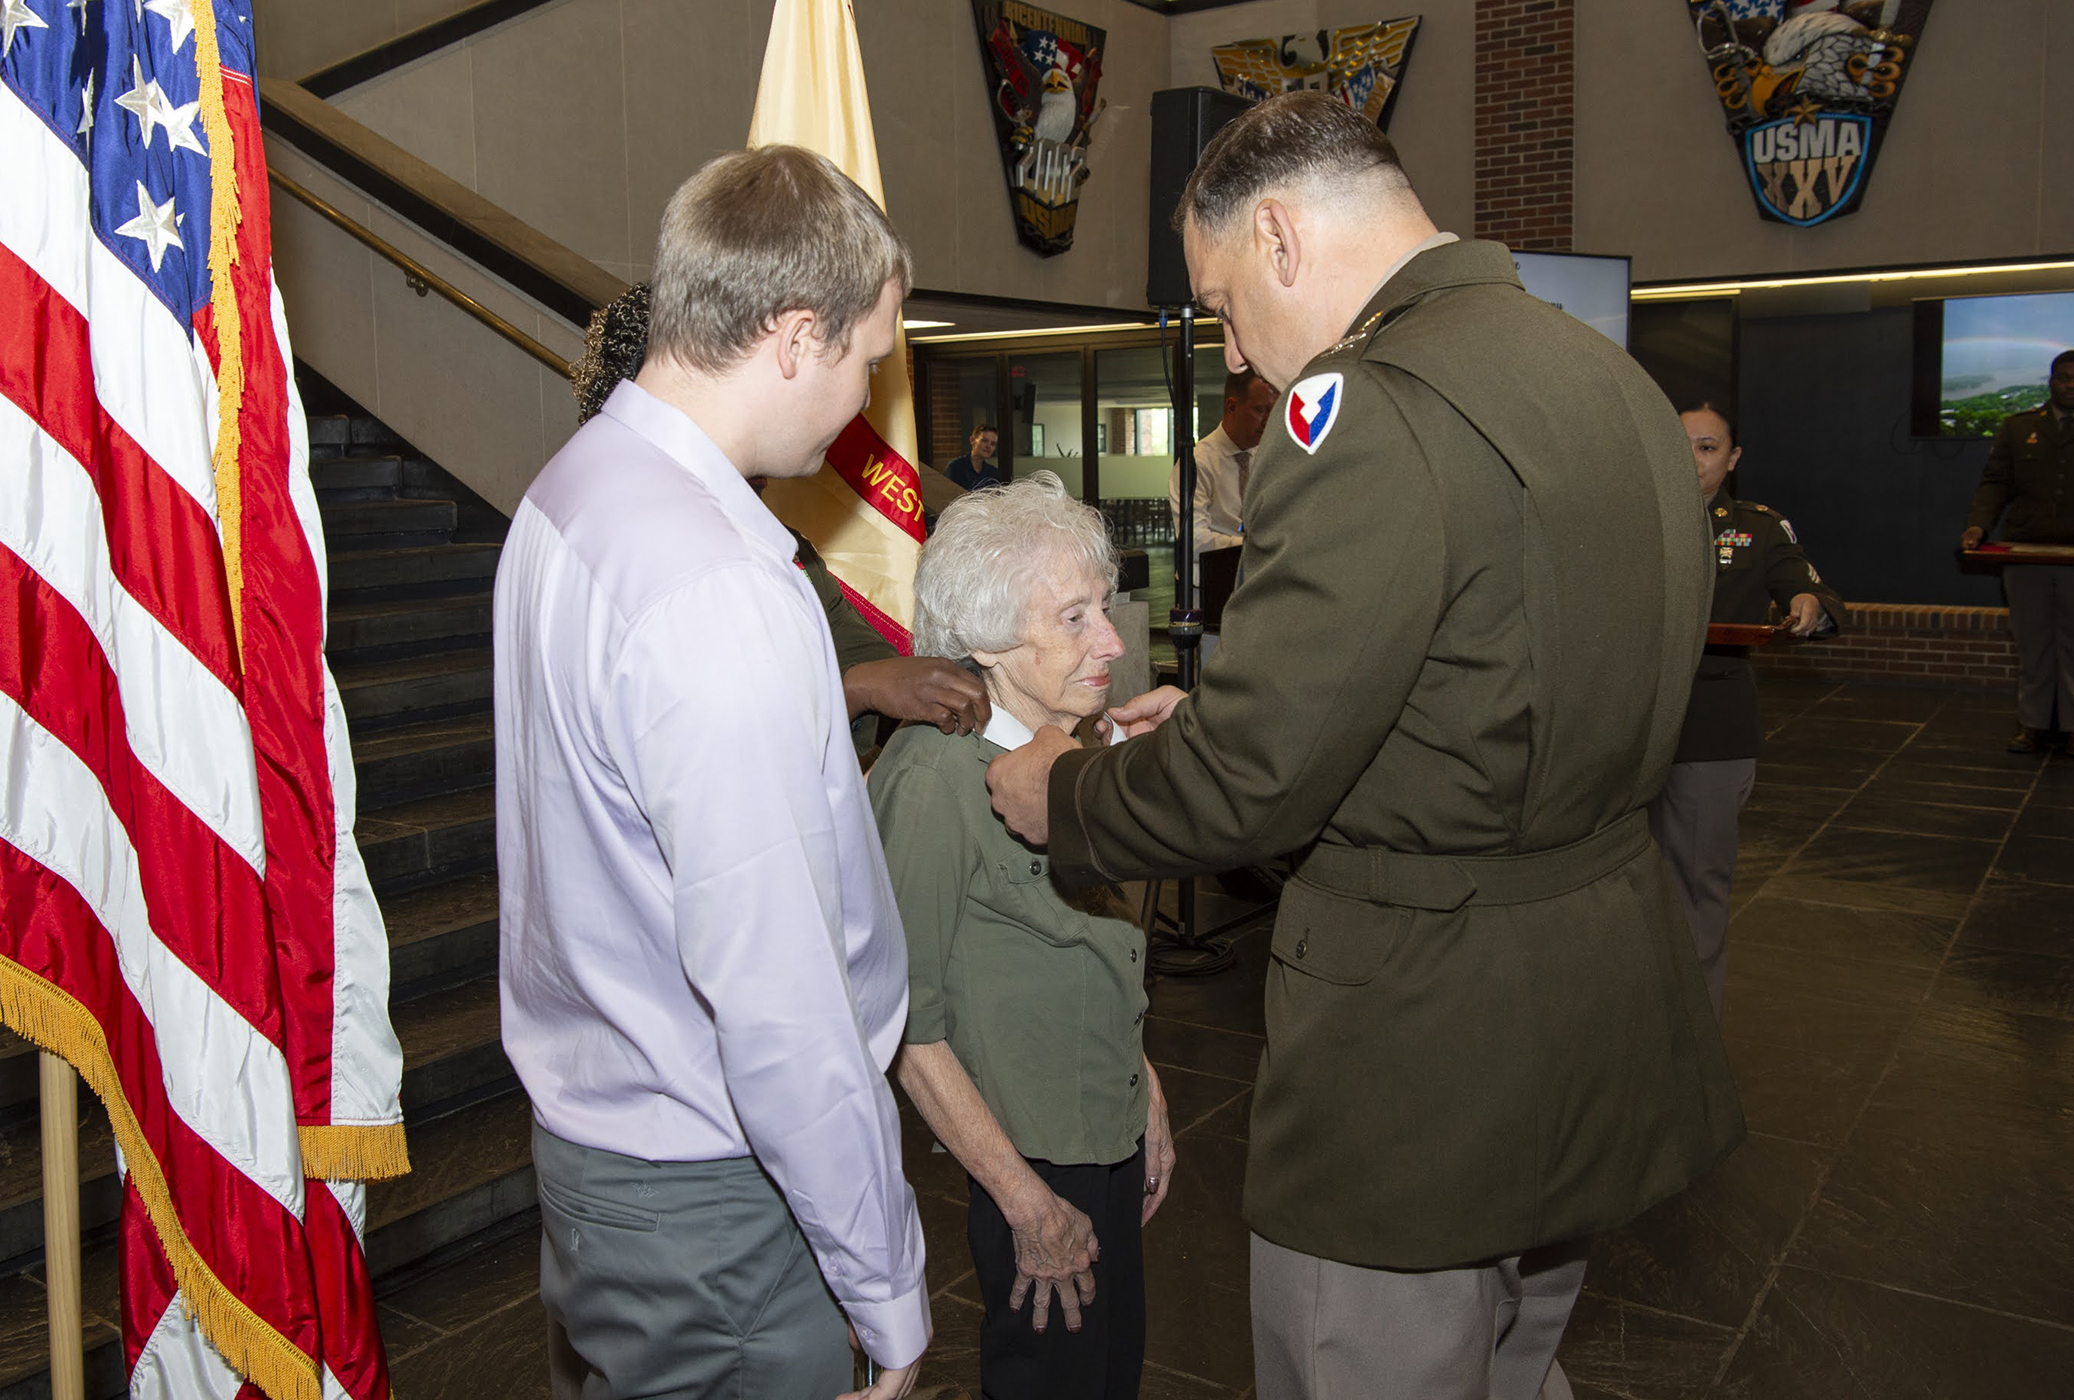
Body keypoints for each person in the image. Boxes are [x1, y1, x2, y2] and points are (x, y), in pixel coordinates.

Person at [984, 92, 1742, 1400]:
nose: (1235, 354)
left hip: (1423, 1050)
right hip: (1595, 995)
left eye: (1224, 305)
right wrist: (1235, 720)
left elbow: (1251, 784)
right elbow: (1501, 684)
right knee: (1518, 1367)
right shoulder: (1609, 380)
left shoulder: (1366, 409)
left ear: (1280, 235)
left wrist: (1071, 793)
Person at [494, 146, 931, 1400]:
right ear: (794, 336)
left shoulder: (571, 491)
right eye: (866, 360)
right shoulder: (713, 585)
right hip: (719, 1202)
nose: (862, 403)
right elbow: (779, 996)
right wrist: (887, 1286)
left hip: (601, 1154)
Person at [868, 473, 1173, 1400]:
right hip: (1030, 1161)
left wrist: (1147, 1096)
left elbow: (1096, 942)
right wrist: (1026, 1202)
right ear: (991, 641)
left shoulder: (1068, 752)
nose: (1112, 642)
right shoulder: (933, 778)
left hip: (1105, 1129)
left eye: (1104, 609)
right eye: (1075, 618)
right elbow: (904, 1024)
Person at [573, 281, 990, 747]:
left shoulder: (786, 549)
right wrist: (856, 691)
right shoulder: (656, 565)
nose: (860, 399)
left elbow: (865, 654)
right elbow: (725, 741)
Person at [1655, 403, 1846, 1018]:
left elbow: (1809, 587)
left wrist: (1808, 605)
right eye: (1680, 443)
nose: (1692, 458)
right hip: (1626, 725)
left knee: (1697, 883)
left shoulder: (1758, 528)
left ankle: (1693, 1035)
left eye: (1707, 447)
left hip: (1709, 728)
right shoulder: (1628, 516)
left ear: (1732, 458)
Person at [1961, 348, 2074, 758]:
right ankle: (2033, 725)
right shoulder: (2018, 427)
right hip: (2024, 552)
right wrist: (1979, 525)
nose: (2071, 385)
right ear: (2051, 380)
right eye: (2064, 377)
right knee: (2032, 644)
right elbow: (1995, 482)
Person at [1165, 369, 1278, 553]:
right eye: (1260, 410)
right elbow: (1194, 541)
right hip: (1214, 569)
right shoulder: (1197, 464)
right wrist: (1252, 548)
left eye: (1272, 411)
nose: (1268, 421)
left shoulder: (1267, 457)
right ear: (1231, 407)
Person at [947, 424, 1002, 491]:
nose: (988, 446)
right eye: (984, 441)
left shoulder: (993, 474)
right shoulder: (956, 468)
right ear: (972, 440)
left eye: (992, 444)